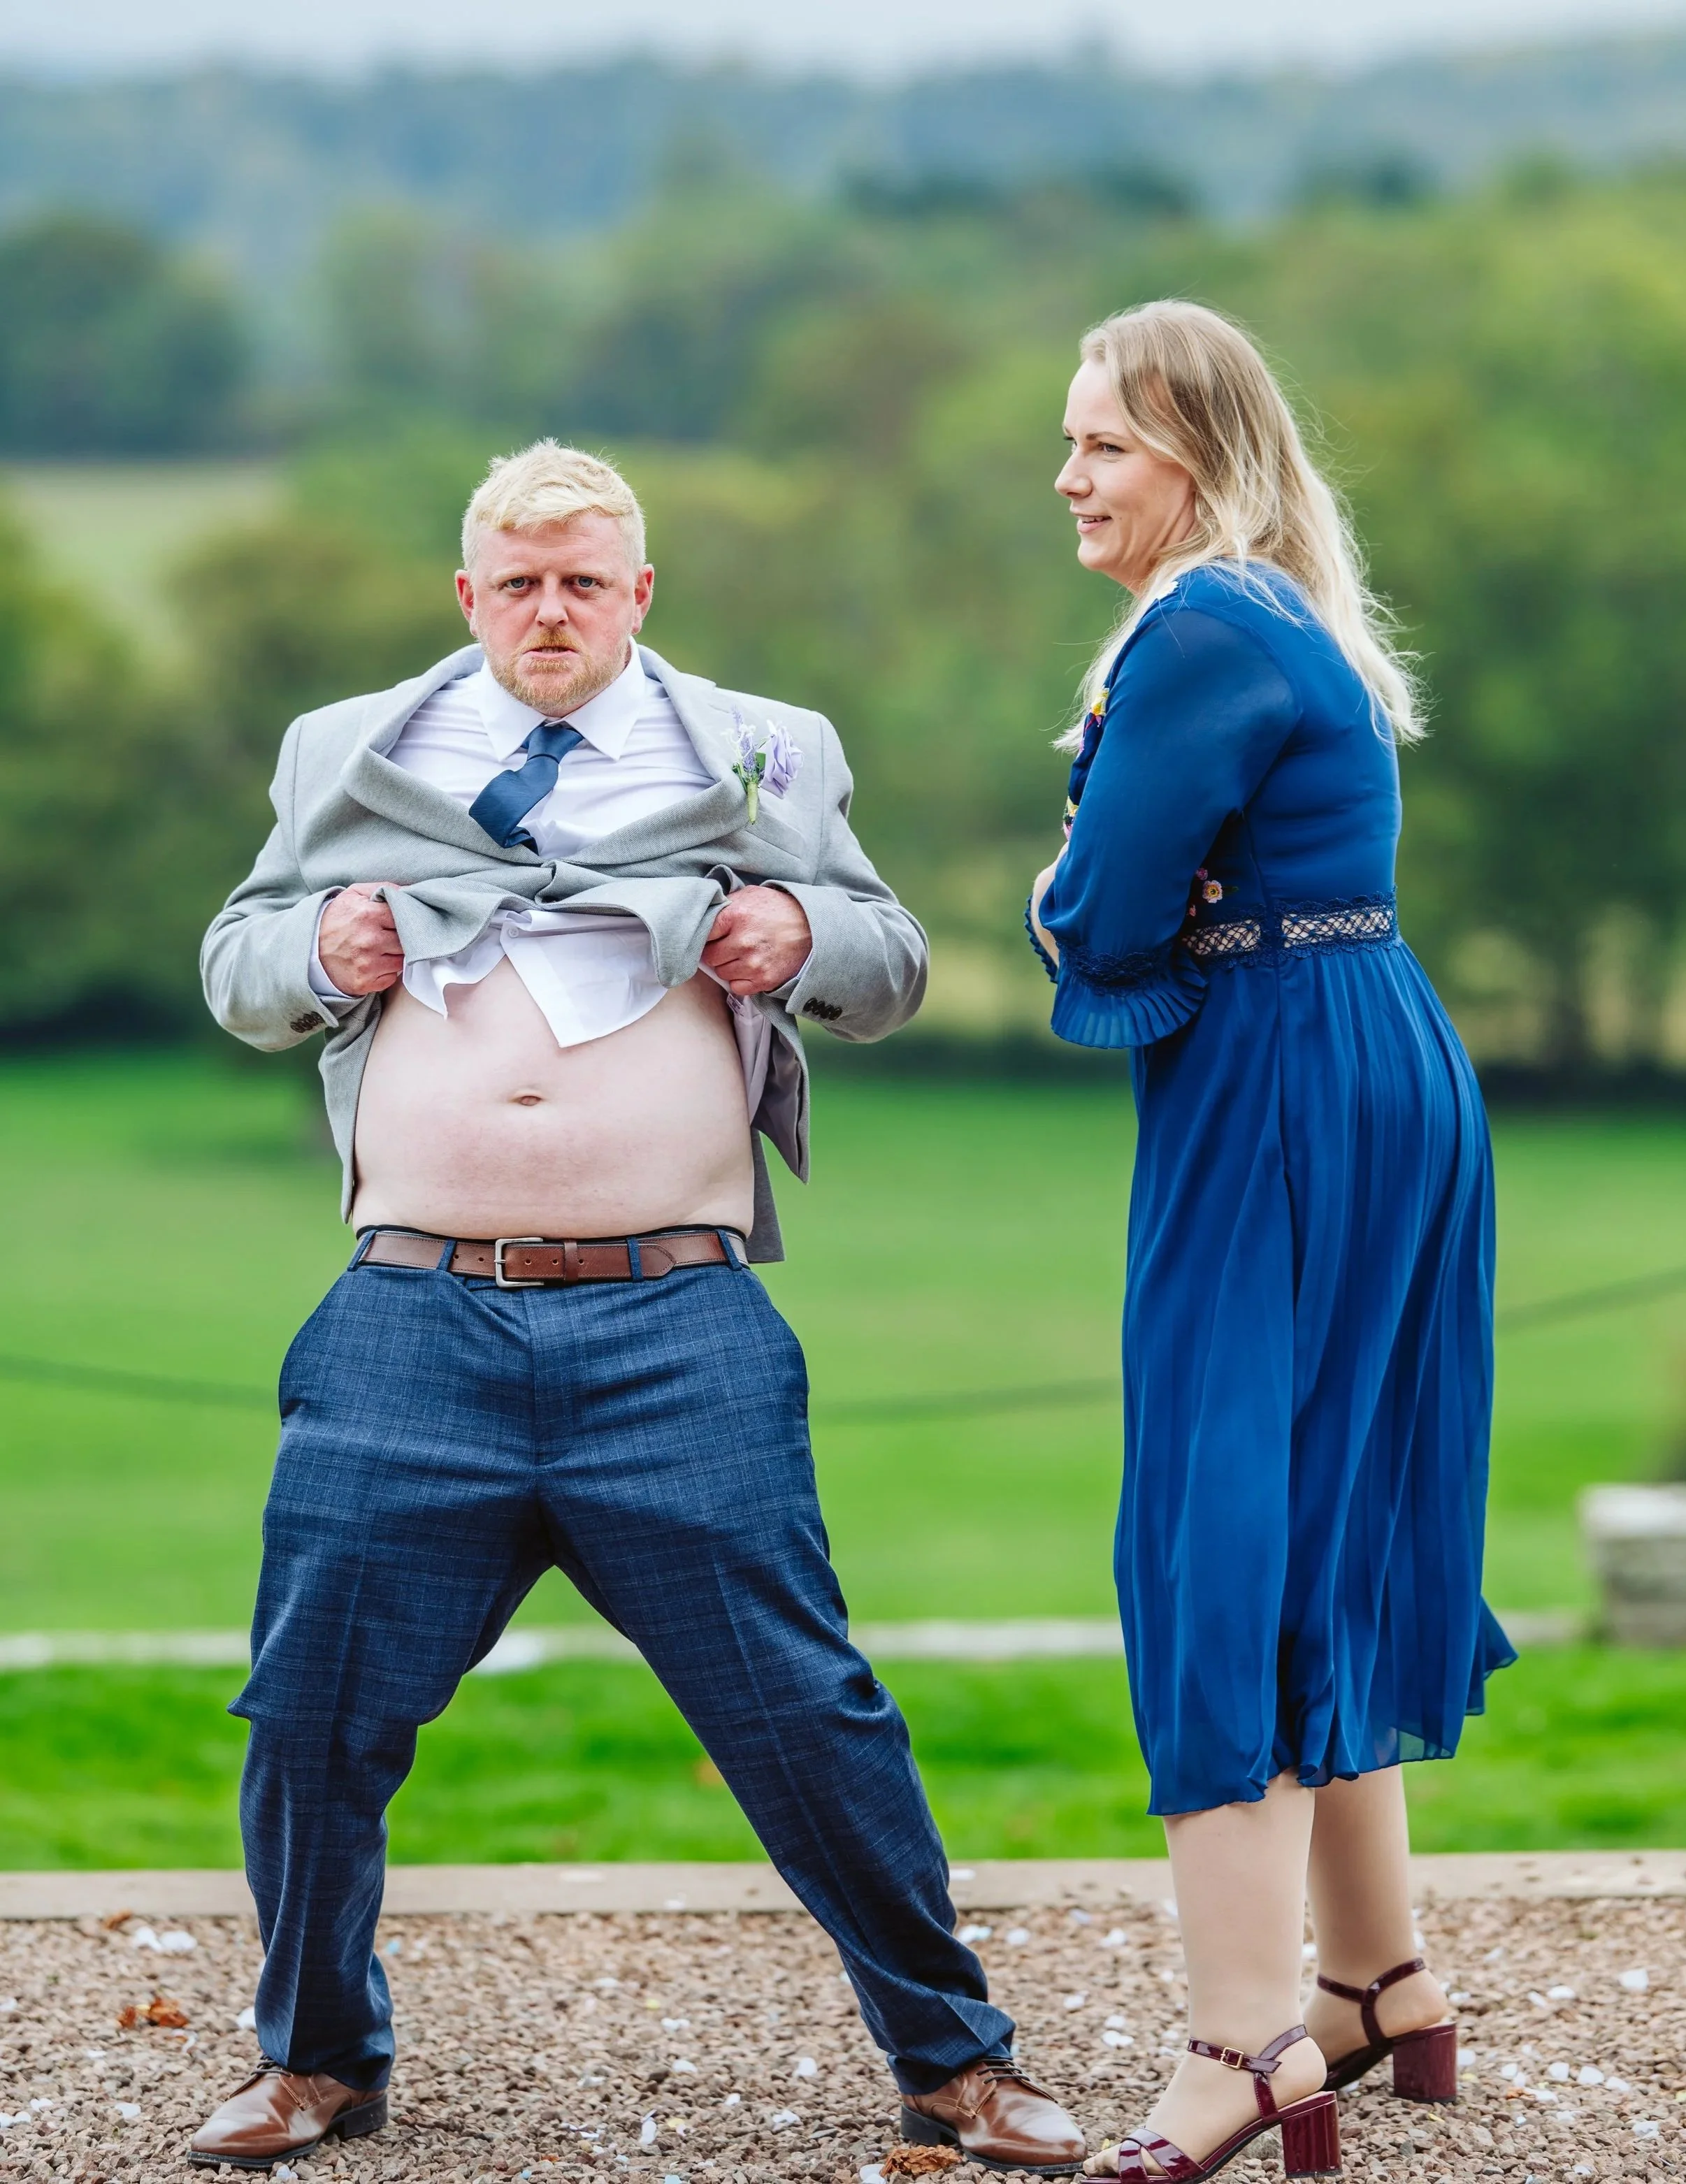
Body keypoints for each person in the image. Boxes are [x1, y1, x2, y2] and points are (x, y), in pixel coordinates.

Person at [191, 439, 1086, 2176]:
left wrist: (794, 932)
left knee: (808, 1710)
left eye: (584, 582)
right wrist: (317, 952)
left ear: (638, 593)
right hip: (411, 1311)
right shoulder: (344, 747)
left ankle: (956, 2060)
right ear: (468, 595)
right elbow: (239, 966)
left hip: (676, 1320)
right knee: (309, 1704)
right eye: (519, 584)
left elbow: (890, 960)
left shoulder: (764, 746)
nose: (551, 611)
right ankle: (313, 2056)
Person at [1027, 305, 1513, 2184]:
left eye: (1103, 445)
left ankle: (1240, 2042)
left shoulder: (1204, 629)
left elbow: (1103, 917)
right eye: (1069, 442)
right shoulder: (1278, 612)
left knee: (1214, 1527)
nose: (1069, 479)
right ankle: (1378, 1977)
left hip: (1281, 1085)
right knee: (1315, 1511)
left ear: (1200, 457)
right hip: (1368, 1050)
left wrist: (1063, 889)